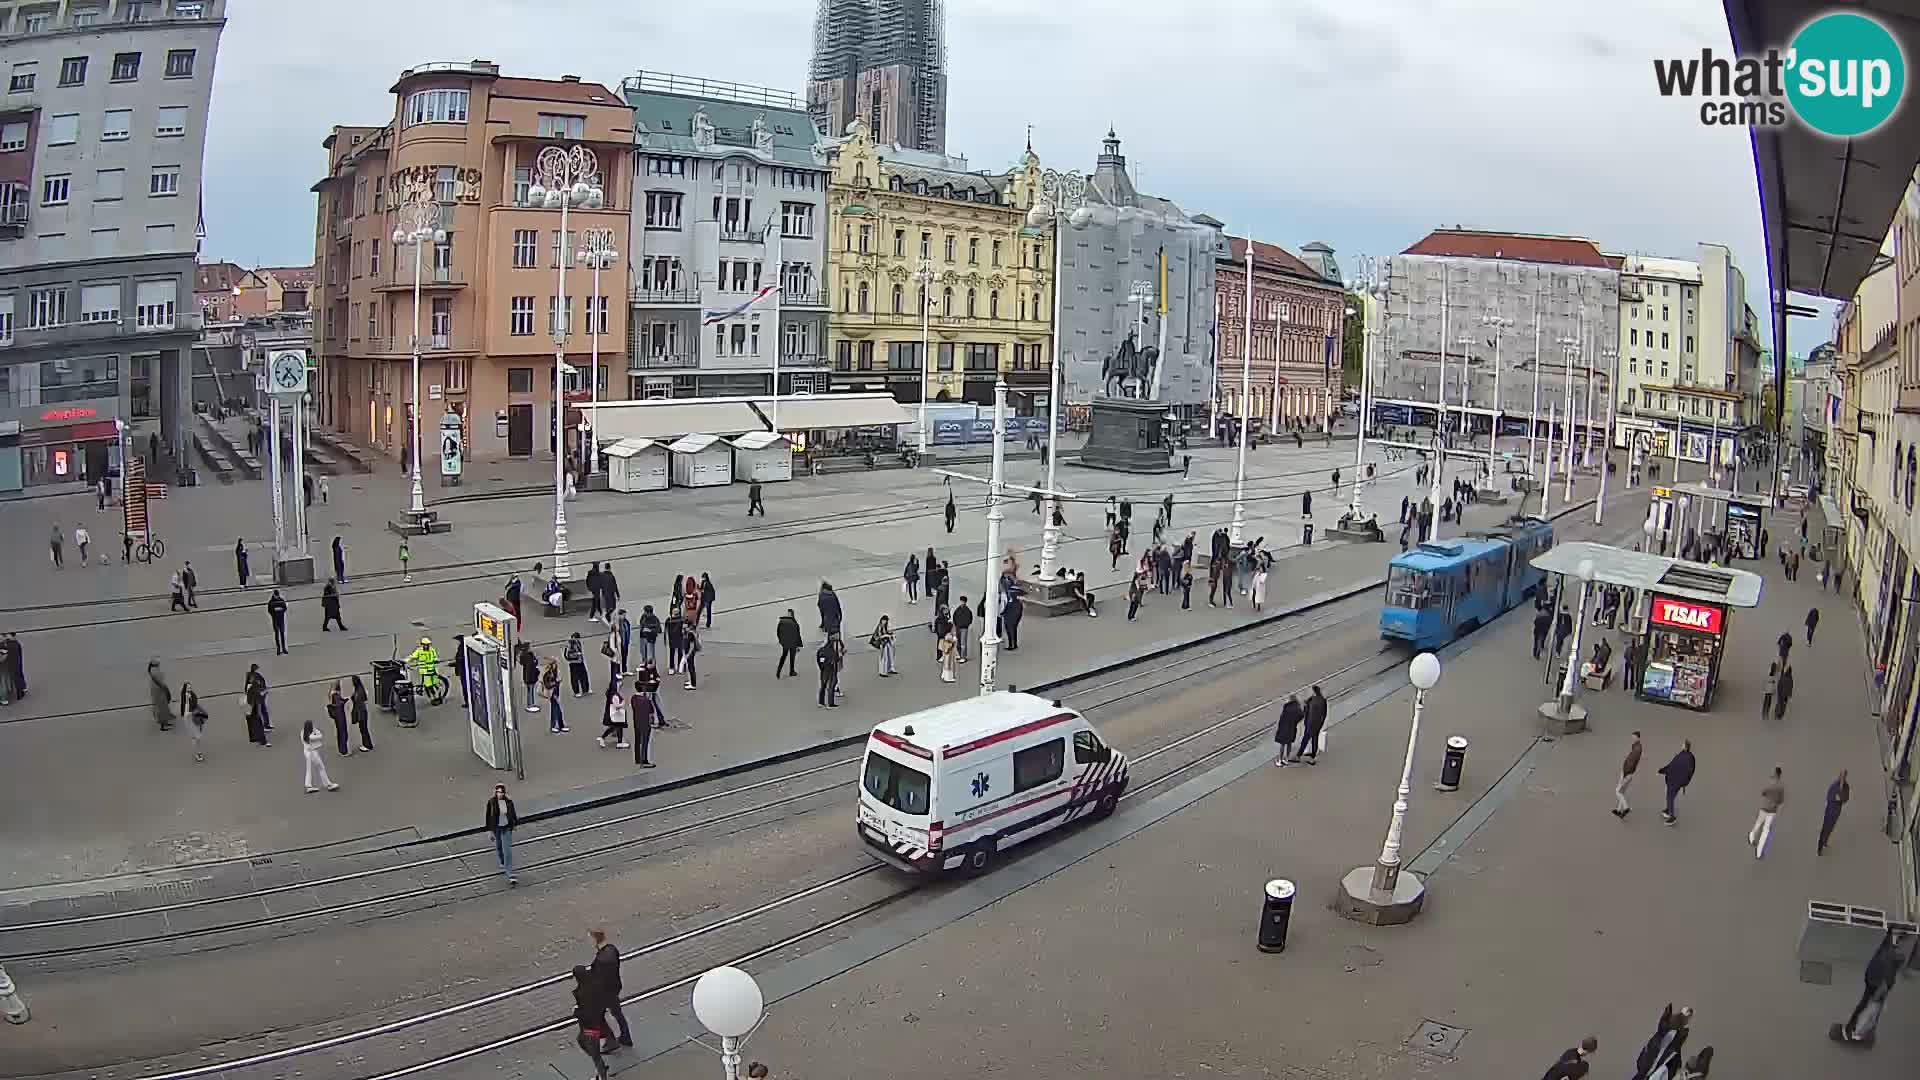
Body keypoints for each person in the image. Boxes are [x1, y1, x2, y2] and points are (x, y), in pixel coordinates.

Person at [588, 928, 633, 1050]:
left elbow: (599, 980)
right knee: (617, 1013)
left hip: (604, 993)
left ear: (595, 939)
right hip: (614, 988)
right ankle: (626, 1037)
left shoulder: (602, 959)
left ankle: (611, 1041)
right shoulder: (612, 949)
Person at [571, 966, 611, 1080]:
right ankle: (601, 1067)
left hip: (590, 1028)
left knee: (595, 1055)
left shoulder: (582, 993)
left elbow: (587, 1013)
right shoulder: (595, 985)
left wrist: (576, 1012)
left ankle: (602, 1075)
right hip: (596, 1023)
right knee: (581, 1041)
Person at [485, 783, 518, 884]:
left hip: (506, 828)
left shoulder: (508, 802)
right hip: (497, 828)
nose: (499, 794)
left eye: (501, 792)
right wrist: (490, 831)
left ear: (504, 793)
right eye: (498, 792)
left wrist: (514, 824)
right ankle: (503, 861)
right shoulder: (491, 802)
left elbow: (513, 813)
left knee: (507, 850)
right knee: (499, 847)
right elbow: (488, 817)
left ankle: (510, 873)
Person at [1750, 766, 1785, 859]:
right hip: (1772, 811)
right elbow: (1781, 800)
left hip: (1764, 808)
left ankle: (1751, 836)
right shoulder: (1781, 787)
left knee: (1758, 823)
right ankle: (1759, 853)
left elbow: (1763, 792)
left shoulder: (1770, 783)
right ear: (1780, 775)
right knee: (1765, 831)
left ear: (1775, 774)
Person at [1658, 740, 1697, 824]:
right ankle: (1668, 809)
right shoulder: (1688, 756)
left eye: (1683, 744)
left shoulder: (1684, 757)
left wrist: (1663, 770)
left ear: (1685, 747)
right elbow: (1689, 770)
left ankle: (1672, 816)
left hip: (1675, 781)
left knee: (1670, 797)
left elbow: (1672, 765)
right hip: (1677, 781)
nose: (1681, 745)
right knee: (1670, 796)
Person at [301, 719, 340, 793]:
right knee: (321, 767)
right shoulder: (312, 736)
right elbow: (320, 735)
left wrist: (314, 730)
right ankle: (328, 784)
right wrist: (315, 730)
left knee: (309, 769)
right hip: (313, 753)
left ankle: (308, 785)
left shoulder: (303, 732)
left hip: (307, 752)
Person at [1611, 731, 1642, 818]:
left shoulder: (1637, 749)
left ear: (1637, 737)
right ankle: (1618, 810)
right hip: (1629, 773)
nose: (1632, 739)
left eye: (1634, 737)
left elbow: (1631, 763)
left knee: (1617, 791)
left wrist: (1624, 774)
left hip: (1627, 773)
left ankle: (1626, 807)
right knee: (1622, 791)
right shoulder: (1636, 747)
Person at [1819, 769, 1850, 855]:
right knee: (1825, 825)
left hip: (1837, 809)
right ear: (1840, 775)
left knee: (1831, 826)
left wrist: (1841, 798)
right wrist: (1834, 798)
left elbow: (1846, 798)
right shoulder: (1834, 784)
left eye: (1844, 776)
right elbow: (1829, 794)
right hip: (1830, 807)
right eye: (1842, 775)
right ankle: (1820, 846)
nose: (1843, 777)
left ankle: (1825, 841)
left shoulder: (1846, 787)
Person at [1296, 685, 1328, 763]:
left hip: (1311, 724)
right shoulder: (1322, 700)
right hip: (1317, 724)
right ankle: (1312, 757)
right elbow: (1324, 714)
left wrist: (1305, 706)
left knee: (1305, 739)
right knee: (1314, 740)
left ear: (1313, 692)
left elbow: (1307, 712)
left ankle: (1298, 756)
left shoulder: (1313, 701)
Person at [181, 682, 208, 762]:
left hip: (196, 719)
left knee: (198, 737)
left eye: (190, 687)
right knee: (195, 738)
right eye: (188, 688)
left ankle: (198, 751)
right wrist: (187, 701)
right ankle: (197, 753)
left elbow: (196, 705)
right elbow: (186, 714)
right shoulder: (186, 700)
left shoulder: (192, 695)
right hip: (190, 721)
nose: (189, 689)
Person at [599, 679, 629, 749]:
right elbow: (617, 705)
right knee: (619, 726)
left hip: (611, 713)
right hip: (616, 714)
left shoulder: (611, 693)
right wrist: (623, 703)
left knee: (613, 727)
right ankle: (620, 742)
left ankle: (603, 738)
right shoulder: (615, 695)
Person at [244, 664, 270, 746]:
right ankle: (262, 739)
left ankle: (260, 738)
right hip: (256, 702)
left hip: (254, 702)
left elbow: (248, 693)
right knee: (258, 720)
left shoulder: (250, 681)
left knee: (256, 719)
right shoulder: (255, 683)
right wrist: (264, 692)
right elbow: (260, 692)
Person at [1274, 694, 1303, 767]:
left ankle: (1280, 760)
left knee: (1282, 744)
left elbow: (1282, 718)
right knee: (1289, 743)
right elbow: (1301, 716)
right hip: (1292, 728)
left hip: (1284, 728)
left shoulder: (1286, 707)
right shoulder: (1298, 708)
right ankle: (1286, 759)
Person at [775, 609, 804, 677]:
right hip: (793, 643)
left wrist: (781, 641)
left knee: (783, 656)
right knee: (792, 657)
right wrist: (798, 645)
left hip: (785, 643)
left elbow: (778, 632)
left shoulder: (781, 622)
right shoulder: (794, 623)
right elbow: (797, 635)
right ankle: (791, 671)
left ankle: (778, 671)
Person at [349, 674, 374, 752]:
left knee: (363, 729)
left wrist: (357, 717)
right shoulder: (360, 688)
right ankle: (368, 744)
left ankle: (367, 745)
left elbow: (358, 704)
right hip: (363, 712)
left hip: (361, 714)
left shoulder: (358, 692)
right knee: (364, 729)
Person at [327, 682, 351, 756]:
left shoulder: (332, 694)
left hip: (336, 716)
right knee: (343, 732)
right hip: (340, 716)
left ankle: (341, 749)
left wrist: (344, 700)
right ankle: (344, 751)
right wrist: (344, 702)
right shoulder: (335, 695)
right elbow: (339, 704)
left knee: (339, 732)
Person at [543, 658, 566, 733]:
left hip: (555, 693)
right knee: (555, 711)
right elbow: (547, 685)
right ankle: (555, 726)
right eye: (555, 664)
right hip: (552, 694)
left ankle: (560, 726)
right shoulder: (548, 674)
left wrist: (558, 682)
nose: (556, 665)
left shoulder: (555, 672)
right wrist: (557, 682)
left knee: (557, 711)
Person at [517, 640, 541, 712]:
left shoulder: (524, 655)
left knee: (529, 691)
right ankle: (530, 704)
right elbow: (534, 665)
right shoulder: (529, 656)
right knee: (530, 691)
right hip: (531, 677)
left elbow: (522, 663)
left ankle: (530, 703)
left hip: (527, 677)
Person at [817, 635, 841, 706]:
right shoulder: (832, 651)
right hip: (831, 669)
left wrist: (821, 668)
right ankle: (831, 703)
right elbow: (836, 660)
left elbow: (818, 660)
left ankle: (821, 702)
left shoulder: (821, 650)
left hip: (823, 669)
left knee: (823, 685)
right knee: (831, 685)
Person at [664, 606, 687, 675]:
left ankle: (671, 668)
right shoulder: (682, 619)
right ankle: (681, 668)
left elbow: (665, 630)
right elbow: (685, 629)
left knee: (672, 654)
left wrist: (665, 640)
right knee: (680, 653)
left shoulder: (669, 620)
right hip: (680, 639)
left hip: (672, 639)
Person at [952, 598, 973, 663]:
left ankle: (963, 657)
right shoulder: (957, 609)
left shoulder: (967, 610)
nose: (962, 602)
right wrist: (956, 625)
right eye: (961, 601)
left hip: (964, 628)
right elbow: (954, 617)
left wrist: (966, 625)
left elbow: (970, 619)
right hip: (958, 627)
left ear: (965, 602)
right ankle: (959, 655)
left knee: (963, 643)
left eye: (963, 601)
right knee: (958, 643)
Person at [682, 624, 702, 690]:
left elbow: (692, 646)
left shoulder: (690, 634)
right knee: (690, 667)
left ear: (689, 627)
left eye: (685, 627)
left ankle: (693, 684)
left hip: (690, 654)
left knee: (691, 668)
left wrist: (688, 654)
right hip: (689, 653)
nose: (683, 628)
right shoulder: (690, 633)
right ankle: (691, 681)